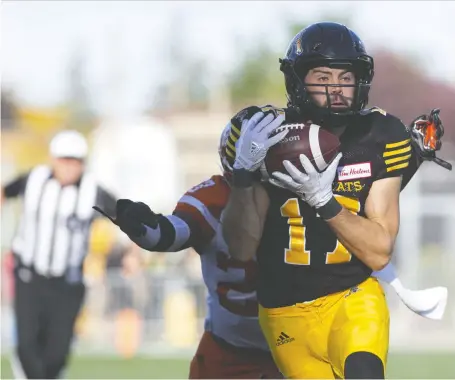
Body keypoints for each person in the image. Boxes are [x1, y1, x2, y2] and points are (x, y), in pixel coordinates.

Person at [94, 107, 447, 379]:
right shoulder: (215, 196)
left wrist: (410, 153)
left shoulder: (299, 183)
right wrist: (145, 227)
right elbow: (172, 233)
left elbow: (361, 191)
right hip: (232, 351)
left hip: (295, 339)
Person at [221, 22, 451, 379]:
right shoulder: (268, 136)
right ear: (298, 81)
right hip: (284, 313)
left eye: (345, 77)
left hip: (352, 298)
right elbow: (240, 248)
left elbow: (379, 250)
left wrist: (323, 200)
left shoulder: (380, 134)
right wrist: (245, 175)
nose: (336, 89)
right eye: (322, 77)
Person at [1, 130, 117, 379]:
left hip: (68, 282)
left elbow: (121, 214)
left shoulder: (91, 191)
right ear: (53, 160)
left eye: (75, 160)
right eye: (64, 159)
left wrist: (133, 250)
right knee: (28, 348)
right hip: (29, 276)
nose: (69, 166)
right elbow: (5, 192)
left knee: (57, 354)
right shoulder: (33, 180)